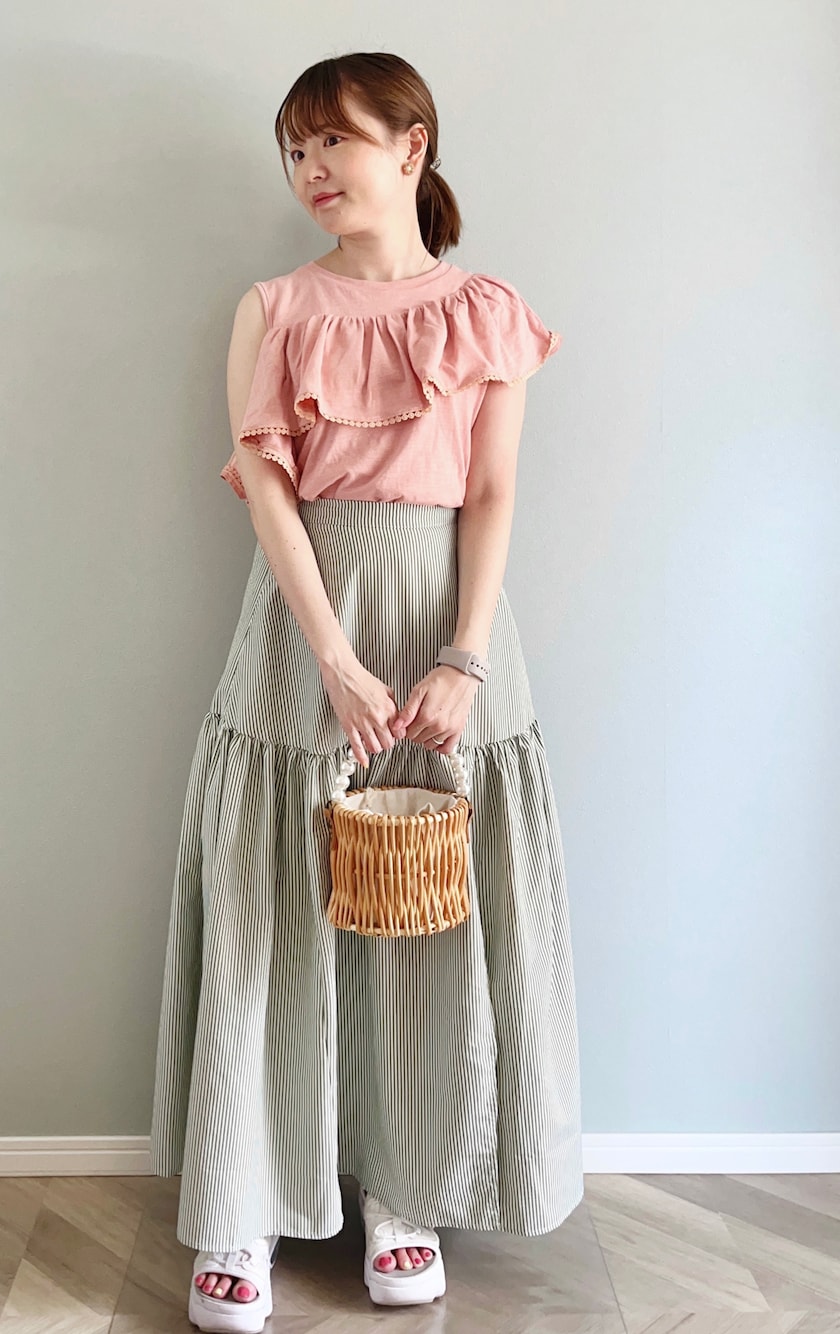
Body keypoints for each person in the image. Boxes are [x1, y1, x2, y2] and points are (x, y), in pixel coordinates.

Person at [150, 50, 584, 1334]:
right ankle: (243, 1202)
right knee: (272, 904)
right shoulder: (272, 307)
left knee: (429, 912)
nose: (311, 169)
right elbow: (266, 489)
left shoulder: (488, 310)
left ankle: (409, 1189)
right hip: (302, 633)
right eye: (294, 148)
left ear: (410, 144)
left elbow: (491, 494)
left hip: (449, 632)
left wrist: (462, 656)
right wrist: (334, 656)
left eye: (331, 139)